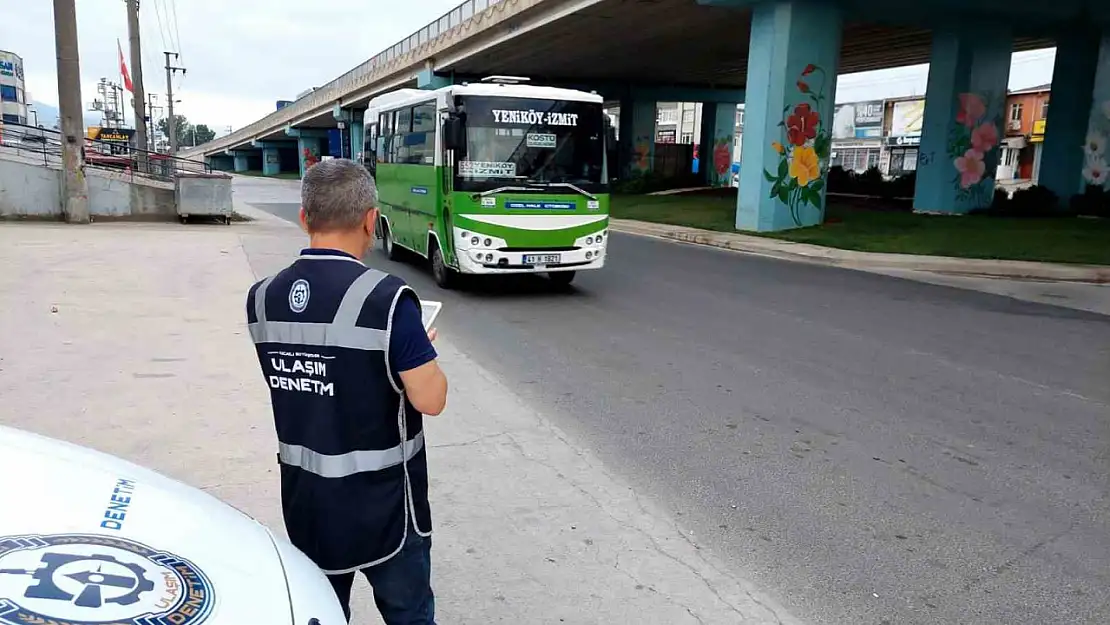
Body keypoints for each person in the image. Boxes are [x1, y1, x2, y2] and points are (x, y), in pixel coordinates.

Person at [245, 158, 448, 624]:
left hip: (307, 502)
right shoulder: (388, 300)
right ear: (371, 220)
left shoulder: (261, 298)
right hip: (387, 510)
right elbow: (430, 400)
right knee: (410, 615)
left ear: (304, 219)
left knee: (323, 614)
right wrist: (420, 357)